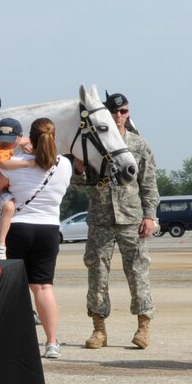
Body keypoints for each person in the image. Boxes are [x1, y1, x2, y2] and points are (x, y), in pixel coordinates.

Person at [72, 92, 158, 350]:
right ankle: (99, 330)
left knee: (138, 273)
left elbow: (149, 183)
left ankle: (144, 326)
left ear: (128, 113)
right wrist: (78, 168)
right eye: (114, 112)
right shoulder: (94, 144)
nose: (119, 116)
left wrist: (150, 215)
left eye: (123, 112)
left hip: (132, 218)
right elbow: (78, 183)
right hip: (100, 219)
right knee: (97, 274)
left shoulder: (139, 145)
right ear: (106, 114)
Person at [0, 117, 73, 358]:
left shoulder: (13, 164)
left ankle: (14, 342)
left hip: (18, 227)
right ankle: (51, 342)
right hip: (49, 229)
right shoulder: (64, 165)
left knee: (14, 287)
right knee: (43, 286)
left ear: (31, 138)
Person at [0, 118, 35, 260]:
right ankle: (0, 245)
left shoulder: (17, 142)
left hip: (10, 186)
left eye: (10, 139)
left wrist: (26, 145)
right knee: (9, 207)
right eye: (2, 140)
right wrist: (26, 163)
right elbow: (4, 164)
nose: (6, 143)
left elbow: (26, 139)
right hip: (0, 189)